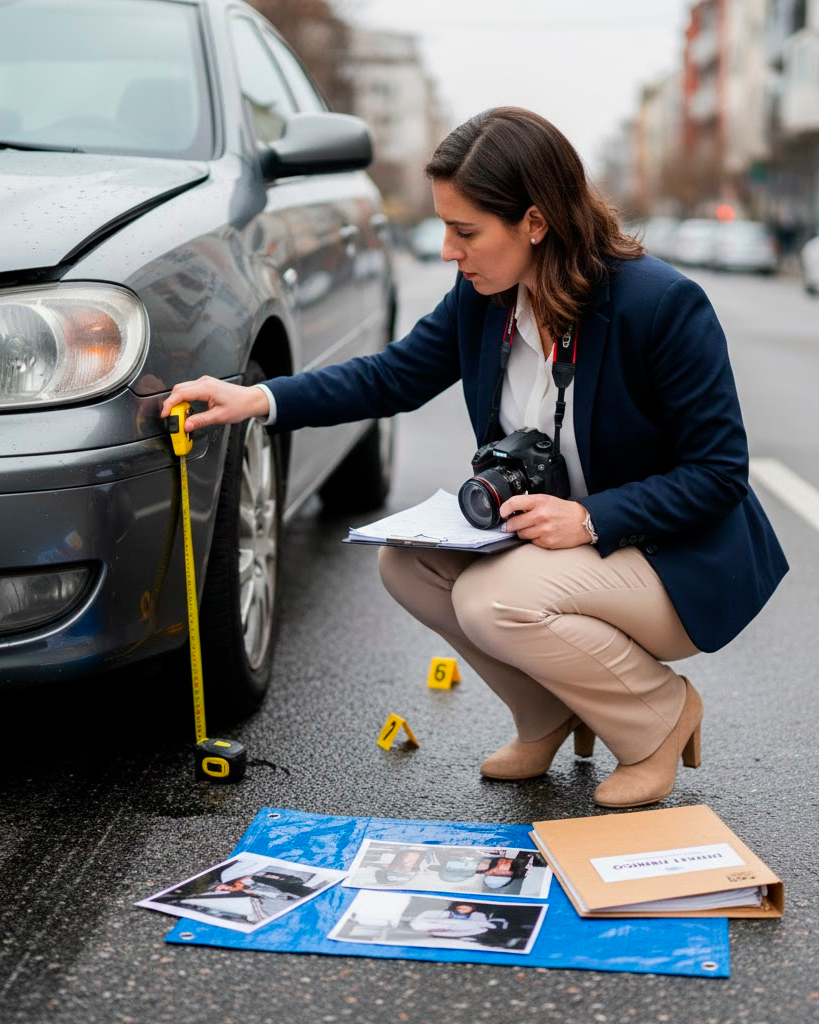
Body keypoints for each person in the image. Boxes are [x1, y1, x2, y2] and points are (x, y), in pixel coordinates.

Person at [160, 107, 788, 809]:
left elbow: (718, 473)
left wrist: (586, 518)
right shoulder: (484, 297)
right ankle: (547, 714)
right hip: (563, 547)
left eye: (465, 232)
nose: (448, 251)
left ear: (534, 222)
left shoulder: (661, 305)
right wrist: (259, 399)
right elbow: (392, 376)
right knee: (406, 563)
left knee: (494, 600)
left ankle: (657, 718)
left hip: (670, 559)